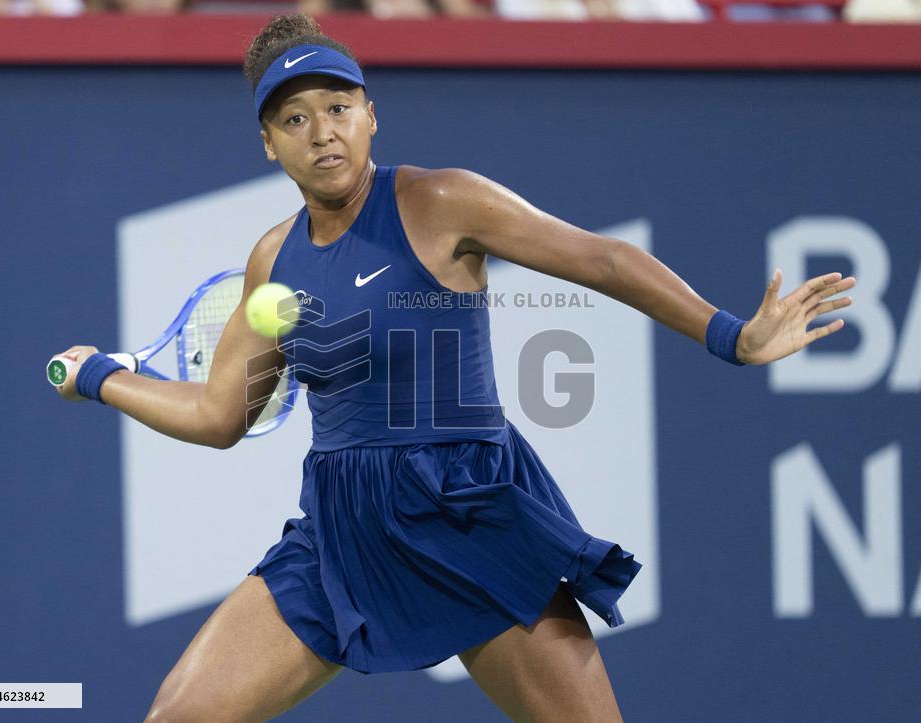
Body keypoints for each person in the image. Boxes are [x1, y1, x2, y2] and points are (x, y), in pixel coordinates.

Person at [52, 12, 856, 721]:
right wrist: (100, 378)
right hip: (342, 529)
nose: (322, 131)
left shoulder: (440, 203)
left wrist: (730, 335)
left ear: (372, 115)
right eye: (294, 118)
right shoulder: (273, 256)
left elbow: (603, 261)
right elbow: (221, 413)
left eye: (338, 108)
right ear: (269, 143)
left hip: (465, 511)